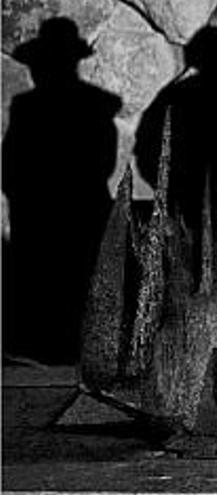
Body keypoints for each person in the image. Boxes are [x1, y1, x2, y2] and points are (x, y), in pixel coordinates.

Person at [2, 17, 122, 364]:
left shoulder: (31, 108)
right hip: (71, 210)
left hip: (51, 212)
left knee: (58, 285)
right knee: (72, 283)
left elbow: (10, 163)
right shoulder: (92, 107)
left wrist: (27, 191)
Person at [134, 25, 217, 292]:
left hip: (193, 200)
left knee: (188, 276)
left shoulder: (176, 95)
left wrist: (168, 189)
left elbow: (146, 148)